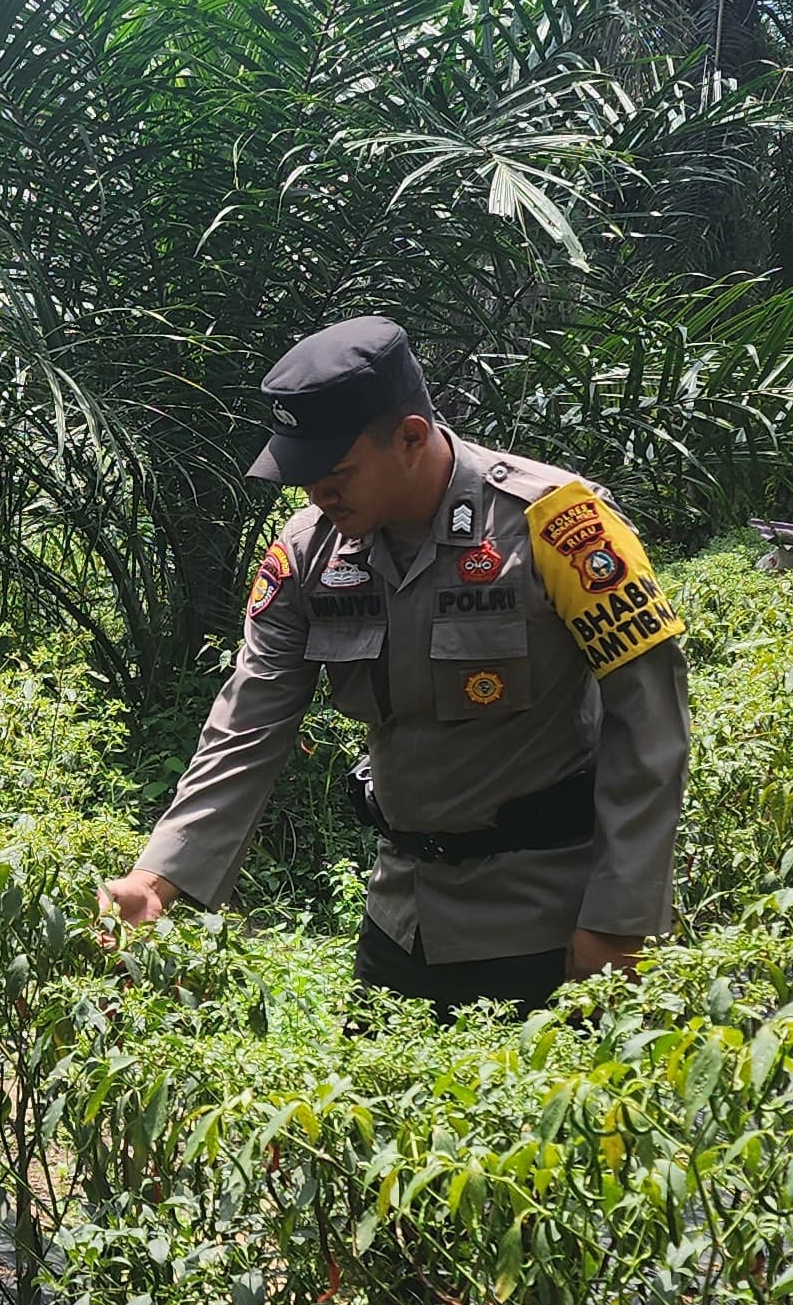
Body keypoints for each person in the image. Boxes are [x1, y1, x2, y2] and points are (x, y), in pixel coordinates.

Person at [100, 315, 689, 1012]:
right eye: (304, 476)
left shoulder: (554, 525)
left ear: (411, 436)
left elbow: (649, 724)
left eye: (337, 472)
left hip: (545, 919)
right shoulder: (310, 554)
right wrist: (157, 877)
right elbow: (248, 724)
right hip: (398, 920)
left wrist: (619, 920)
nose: (317, 494)